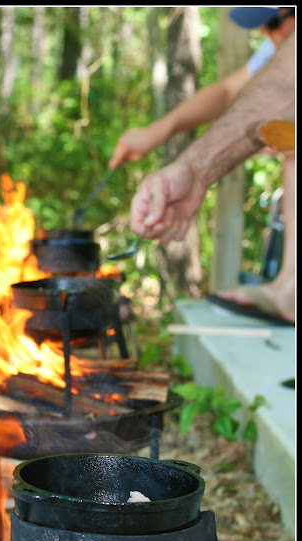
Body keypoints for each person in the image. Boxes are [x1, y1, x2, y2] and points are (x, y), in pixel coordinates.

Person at [110, 7, 295, 324]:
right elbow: (236, 91)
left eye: (274, 21)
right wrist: (183, 160)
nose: (265, 32)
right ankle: (290, 290)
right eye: (261, 25)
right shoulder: (277, 49)